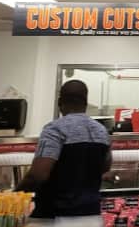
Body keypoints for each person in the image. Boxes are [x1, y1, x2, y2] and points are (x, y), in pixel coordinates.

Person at [17, 80, 112, 218]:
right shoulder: (102, 131)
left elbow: (38, 175)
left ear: (60, 102)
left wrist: (15, 194)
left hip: (55, 217)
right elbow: (105, 167)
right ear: (85, 103)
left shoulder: (54, 129)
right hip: (90, 213)